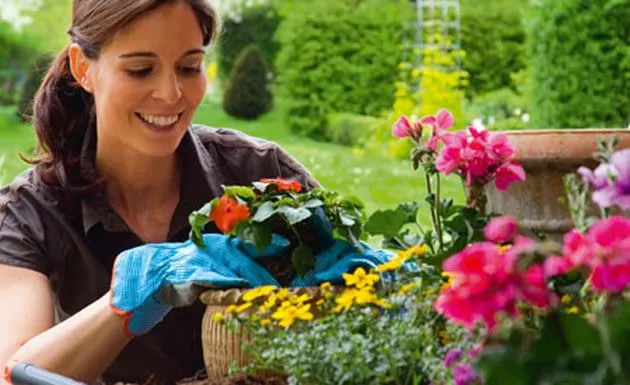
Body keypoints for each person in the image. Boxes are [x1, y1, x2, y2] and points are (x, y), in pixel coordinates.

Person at [0, 1, 337, 384]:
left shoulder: (262, 173)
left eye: (189, 67)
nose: (170, 93)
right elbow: (13, 373)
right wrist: (120, 307)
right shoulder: (30, 213)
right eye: (140, 70)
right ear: (83, 69)